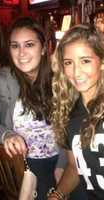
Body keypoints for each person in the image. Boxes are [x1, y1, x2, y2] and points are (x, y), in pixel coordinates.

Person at [0, 17, 59, 200]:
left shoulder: (60, 78)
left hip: (63, 159)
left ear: (44, 48)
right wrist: (6, 134)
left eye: (29, 44)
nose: (21, 53)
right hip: (25, 166)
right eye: (15, 46)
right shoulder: (0, 81)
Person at [47, 24, 104, 200]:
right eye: (68, 63)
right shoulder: (67, 113)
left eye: (85, 61)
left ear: (102, 62)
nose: (76, 72)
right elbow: (74, 167)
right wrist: (57, 194)